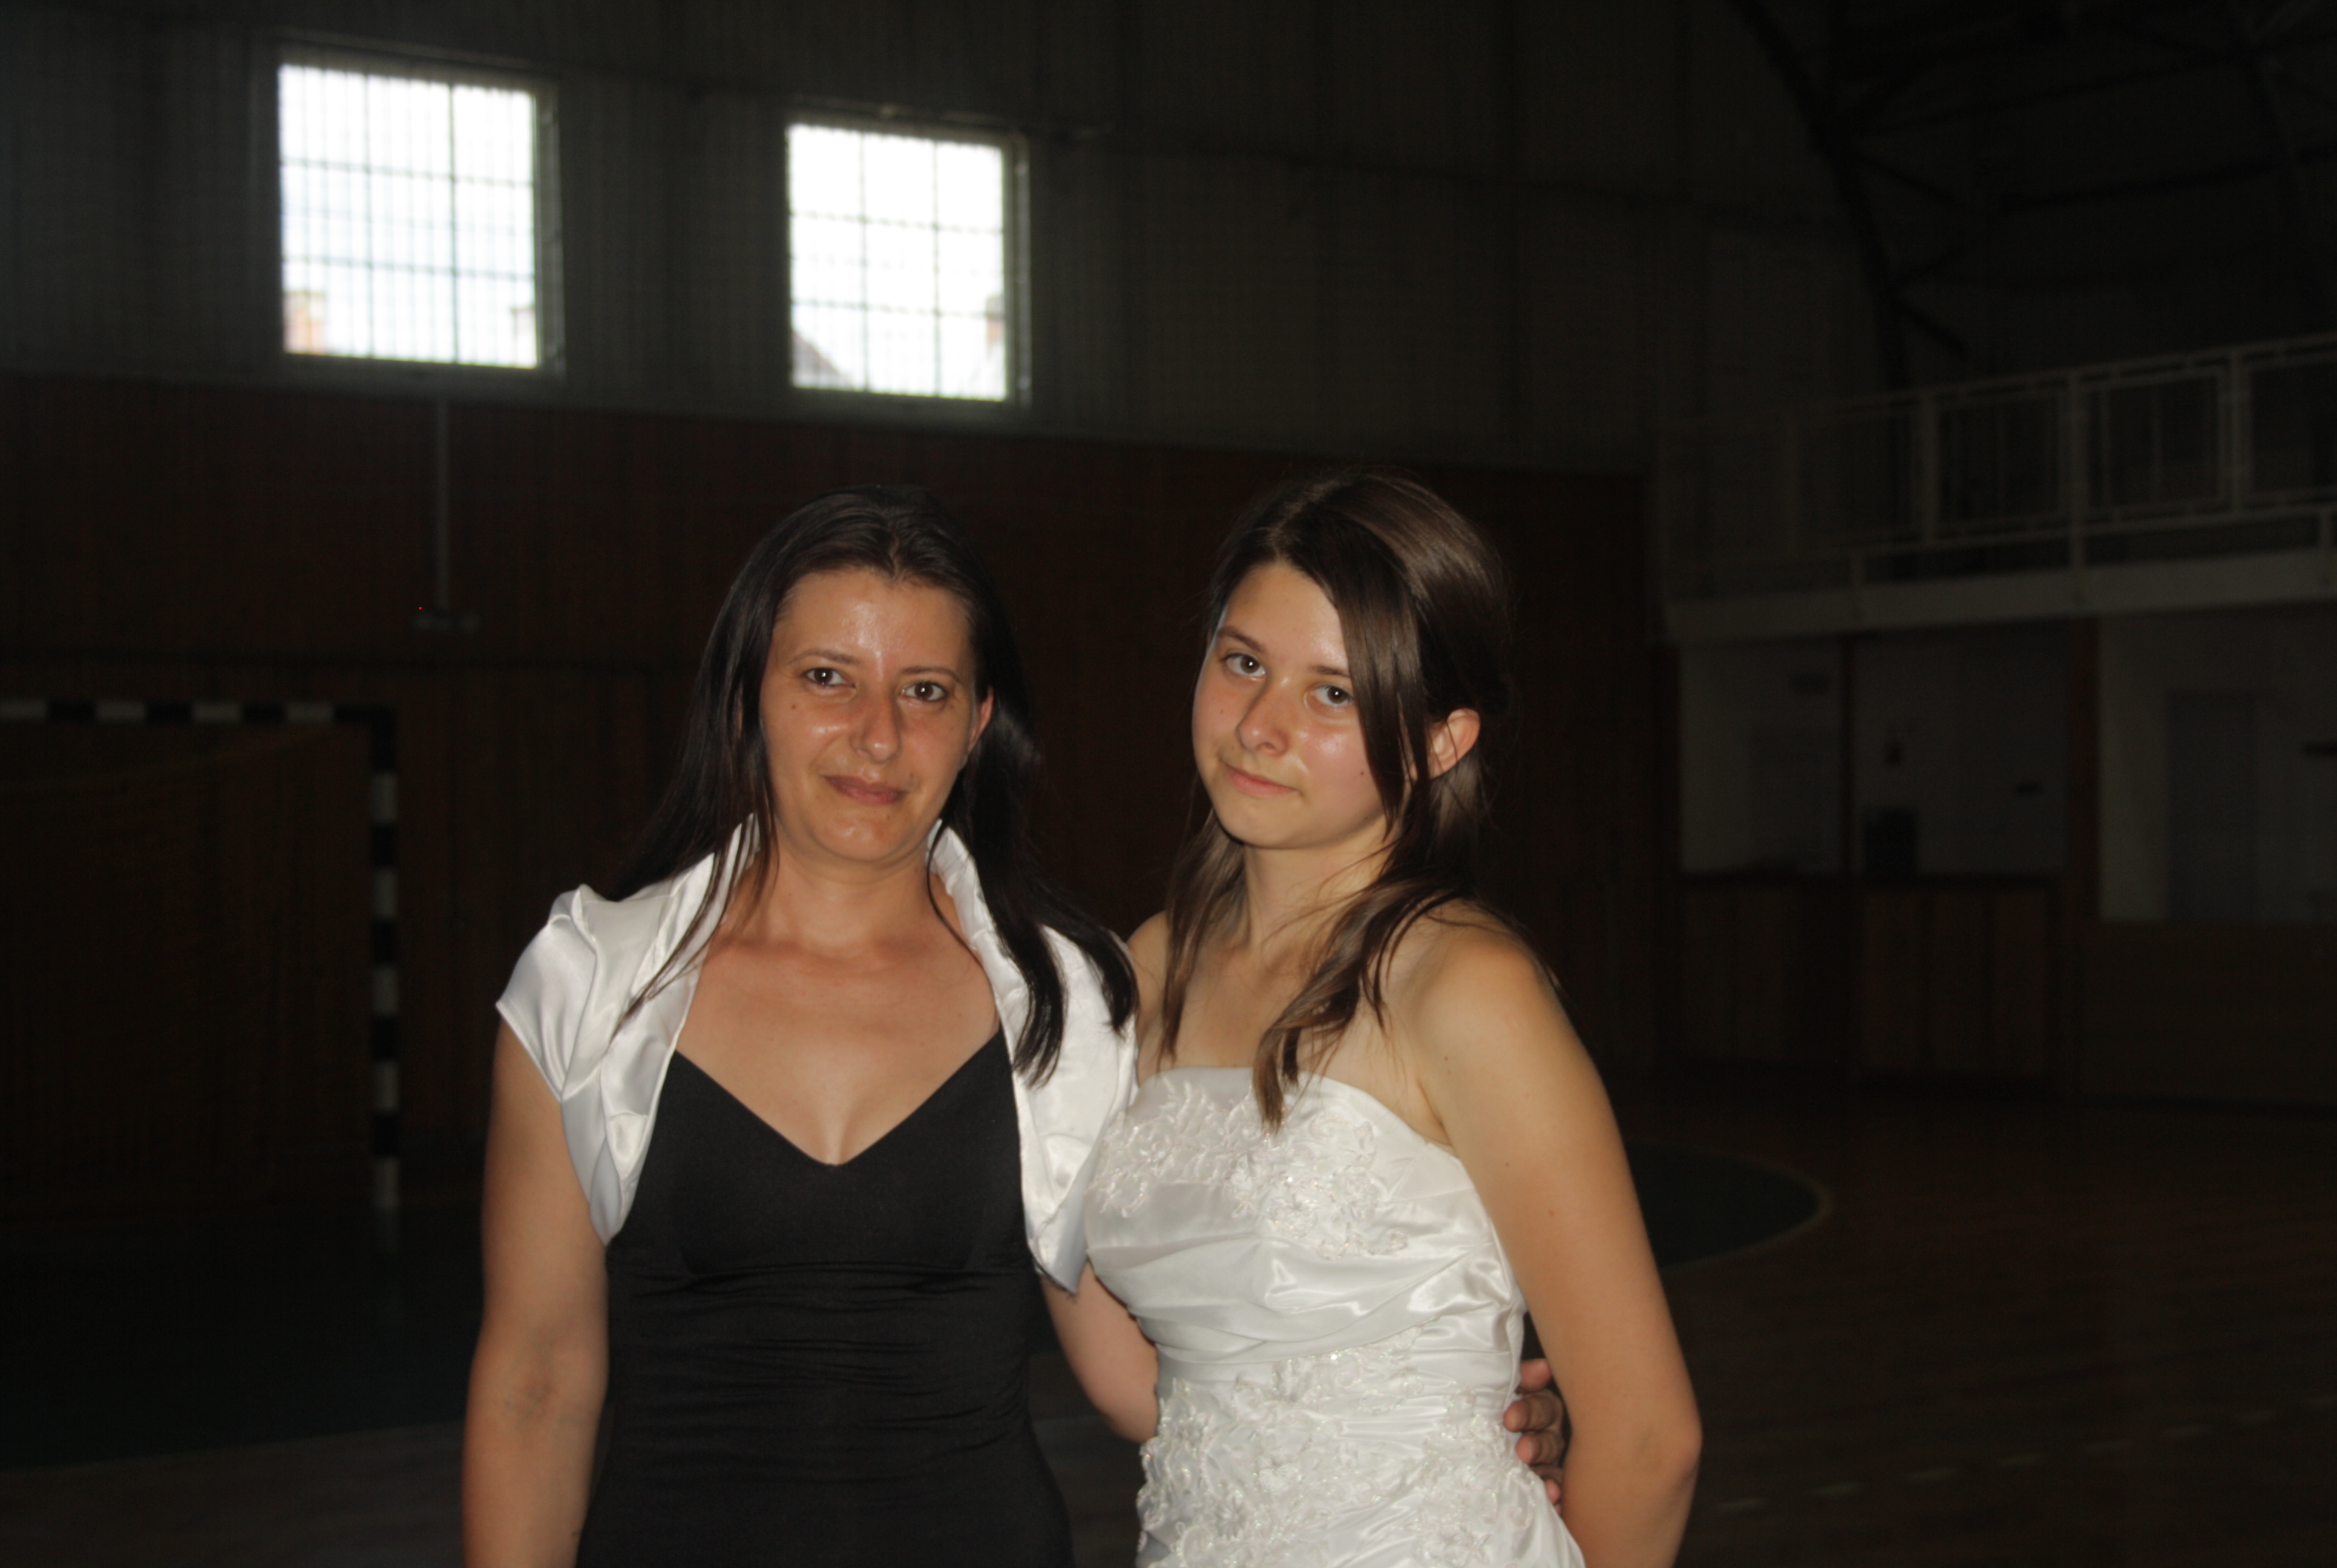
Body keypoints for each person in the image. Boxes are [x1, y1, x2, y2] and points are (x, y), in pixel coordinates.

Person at [461, 484, 1565, 1567]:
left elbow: (1143, 1382)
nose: (876, 737)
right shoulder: (589, 984)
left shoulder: (1072, 1000)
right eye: (827, 678)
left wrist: (1443, 1432)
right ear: (749, 694)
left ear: (978, 723)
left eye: (926, 690)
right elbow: (534, 1385)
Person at [1054, 471, 1702, 1566]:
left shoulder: (1463, 988)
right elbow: (1138, 1397)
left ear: (1441, 740)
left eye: (1334, 694)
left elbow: (1650, 1442)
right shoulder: (1145, 971)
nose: (1260, 727)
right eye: (1244, 662)